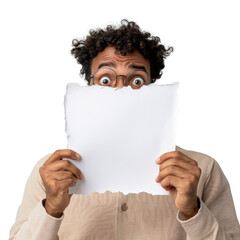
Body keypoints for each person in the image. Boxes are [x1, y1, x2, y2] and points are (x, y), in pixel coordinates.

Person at [9, 19, 240, 240]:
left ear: (153, 90)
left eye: (136, 80)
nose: (120, 90)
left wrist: (193, 211)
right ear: (89, 87)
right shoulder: (50, 173)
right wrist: (50, 208)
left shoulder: (202, 170)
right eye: (106, 80)